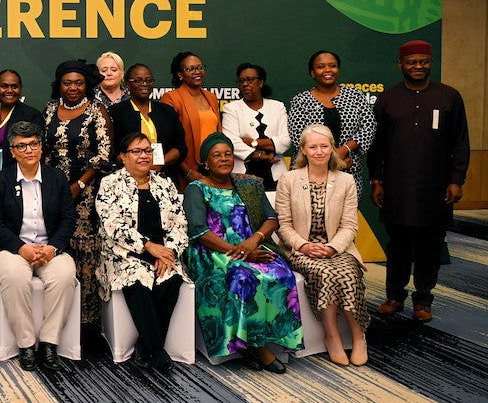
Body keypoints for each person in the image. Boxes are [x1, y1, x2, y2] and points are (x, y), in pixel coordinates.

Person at [368, 40, 470, 323]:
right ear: (400, 65)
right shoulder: (388, 99)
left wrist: (456, 179)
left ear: (431, 63)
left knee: (431, 244)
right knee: (398, 244)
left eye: (423, 61)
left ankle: (423, 300)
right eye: (411, 62)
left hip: (436, 186)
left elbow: (460, 142)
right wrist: (377, 180)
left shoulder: (449, 96)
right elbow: (377, 146)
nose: (418, 67)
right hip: (397, 186)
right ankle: (394, 296)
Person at [184, 132, 302, 372]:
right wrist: (243, 253)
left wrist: (255, 240)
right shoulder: (196, 189)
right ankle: (257, 349)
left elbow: (271, 218)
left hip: (252, 245)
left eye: (228, 154)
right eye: (216, 155)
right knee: (242, 276)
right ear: (205, 162)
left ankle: (262, 338)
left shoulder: (248, 184)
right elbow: (199, 231)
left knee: (280, 273)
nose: (224, 159)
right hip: (212, 251)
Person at [0, 121, 77, 372]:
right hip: (12, 249)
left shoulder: (56, 178)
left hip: (50, 248)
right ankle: (26, 345)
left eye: (33, 144)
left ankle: (49, 344)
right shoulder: (1, 180)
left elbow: (69, 219)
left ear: (41, 148)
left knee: (65, 274)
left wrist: (53, 248)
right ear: (12, 151)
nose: (28, 150)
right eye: (21, 146)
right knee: (14, 275)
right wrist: (20, 247)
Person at [276, 125, 368, 366]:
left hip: (338, 248)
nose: (319, 151)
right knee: (325, 273)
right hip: (300, 249)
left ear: (332, 148)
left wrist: (332, 248)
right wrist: (304, 246)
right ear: (303, 150)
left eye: (324, 146)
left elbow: (349, 225)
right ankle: (333, 336)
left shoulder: (346, 181)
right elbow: (283, 225)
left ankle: (359, 337)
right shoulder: (289, 179)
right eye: (313, 147)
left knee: (348, 272)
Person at [96, 132, 188, 374]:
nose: (144, 155)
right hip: (125, 254)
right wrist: (148, 247)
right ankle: (156, 350)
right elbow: (112, 225)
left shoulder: (165, 182)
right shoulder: (110, 184)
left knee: (172, 279)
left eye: (148, 150)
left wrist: (168, 253)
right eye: (136, 151)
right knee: (136, 281)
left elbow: (180, 223)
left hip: (163, 255)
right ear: (123, 157)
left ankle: (145, 346)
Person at [42, 59, 111, 338]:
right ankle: (54, 319)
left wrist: (80, 184)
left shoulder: (98, 112)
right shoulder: (48, 111)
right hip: (52, 190)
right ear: (59, 84)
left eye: (78, 83)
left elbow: (104, 155)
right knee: (56, 245)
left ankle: (85, 323)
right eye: (67, 82)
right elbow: (42, 150)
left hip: (86, 192)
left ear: (88, 85)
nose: (72, 88)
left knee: (84, 250)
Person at [287, 50, 376, 194]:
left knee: (345, 215)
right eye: (321, 66)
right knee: (306, 214)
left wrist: (344, 149)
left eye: (332, 66)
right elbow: (299, 136)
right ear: (312, 72)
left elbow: (368, 127)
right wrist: (333, 160)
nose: (328, 70)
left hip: (348, 170)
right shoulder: (301, 100)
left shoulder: (355, 96)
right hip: (308, 173)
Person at [107, 64, 185, 183]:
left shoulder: (167, 111)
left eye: (148, 80)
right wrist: (139, 166)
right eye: (138, 80)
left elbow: (180, 147)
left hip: (165, 177)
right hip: (128, 179)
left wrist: (160, 162)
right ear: (128, 84)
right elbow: (112, 150)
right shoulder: (116, 112)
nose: (144, 84)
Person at [0, 69, 44, 206]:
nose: (9, 90)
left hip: (16, 178)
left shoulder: (31, 115)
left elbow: (37, 151)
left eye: (14, 86)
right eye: (4, 86)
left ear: (20, 89)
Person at [221, 63, 290, 190]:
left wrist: (253, 142)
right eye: (241, 81)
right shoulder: (232, 109)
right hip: (243, 175)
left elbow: (286, 140)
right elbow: (232, 142)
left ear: (261, 82)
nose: (245, 84)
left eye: (250, 80)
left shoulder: (277, 106)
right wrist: (261, 156)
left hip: (276, 175)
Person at [161, 51, 220, 187]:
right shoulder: (171, 98)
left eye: (200, 67)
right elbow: (170, 142)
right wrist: (187, 171)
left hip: (213, 168)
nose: (197, 72)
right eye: (191, 69)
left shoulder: (210, 97)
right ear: (180, 74)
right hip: (187, 170)